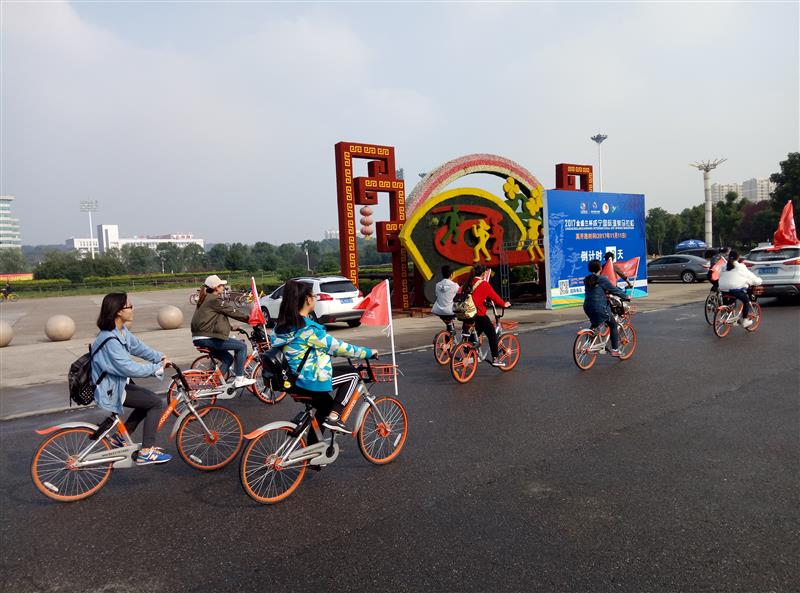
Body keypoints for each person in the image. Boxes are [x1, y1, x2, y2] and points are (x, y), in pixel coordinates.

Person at [272, 280, 377, 434]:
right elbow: (337, 347)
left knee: (325, 409)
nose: (315, 298)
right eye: (314, 296)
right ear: (308, 300)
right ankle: (335, 418)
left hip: (290, 380)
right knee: (353, 374)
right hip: (307, 380)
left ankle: (313, 447)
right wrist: (368, 352)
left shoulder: (280, 327)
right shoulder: (308, 329)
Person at [91, 293, 172, 465]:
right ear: (118, 311)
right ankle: (146, 452)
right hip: (109, 389)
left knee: (148, 399)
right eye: (130, 306)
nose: (133, 309)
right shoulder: (110, 339)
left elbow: (138, 347)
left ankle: (121, 436)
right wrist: (156, 368)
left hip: (116, 383)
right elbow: (128, 368)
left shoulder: (120, 331)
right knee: (155, 403)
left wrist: (159, 357)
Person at [190, 274, 256, 389]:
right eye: (221, 285)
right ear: (215, 287)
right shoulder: (215, 299)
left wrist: (230, 327)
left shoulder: (205, 298)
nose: (223, 287)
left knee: (228, 359)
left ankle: (214, 386)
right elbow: (232, 311)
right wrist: (251, 319)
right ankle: (239, 379)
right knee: (241, 346)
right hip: (206, 338)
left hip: (199, 337)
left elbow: (212, 320)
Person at [461, 263, 510, 367]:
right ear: (483, 274)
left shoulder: (468, 282)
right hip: (478, 314)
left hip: (466, 314)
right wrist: (504, 304)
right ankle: (495, 358)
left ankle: (469, 353)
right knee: (492, 334)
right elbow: (494, 297)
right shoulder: (484, 284)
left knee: (475, 333)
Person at [583, 259, 629, 357]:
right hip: (599, 307)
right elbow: (614, 289)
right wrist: (626, 297)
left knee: (595, 323)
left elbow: (596, 290)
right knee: (613, 325)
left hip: (587, 307)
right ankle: (615, 350)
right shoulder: (602, 279)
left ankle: (590, 342)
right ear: (600, 268)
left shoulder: (586, 279)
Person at [718, 249, 762, 328]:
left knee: (731, 300)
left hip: (723, 288)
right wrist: (758, 281)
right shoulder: (741, 266)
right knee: (746, 301)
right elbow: (751, 277)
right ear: (738, 257)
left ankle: (730, 317)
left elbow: (721, 276)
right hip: (734, 289)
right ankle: (745, 321)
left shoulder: (723, 266)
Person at [431, 265, 459, 332]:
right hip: (450, 311)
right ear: (451, 275)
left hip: (438, 310)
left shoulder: (437, 285)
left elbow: (437, 295)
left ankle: (449, 332)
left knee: (449, 326)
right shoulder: (455, 286)